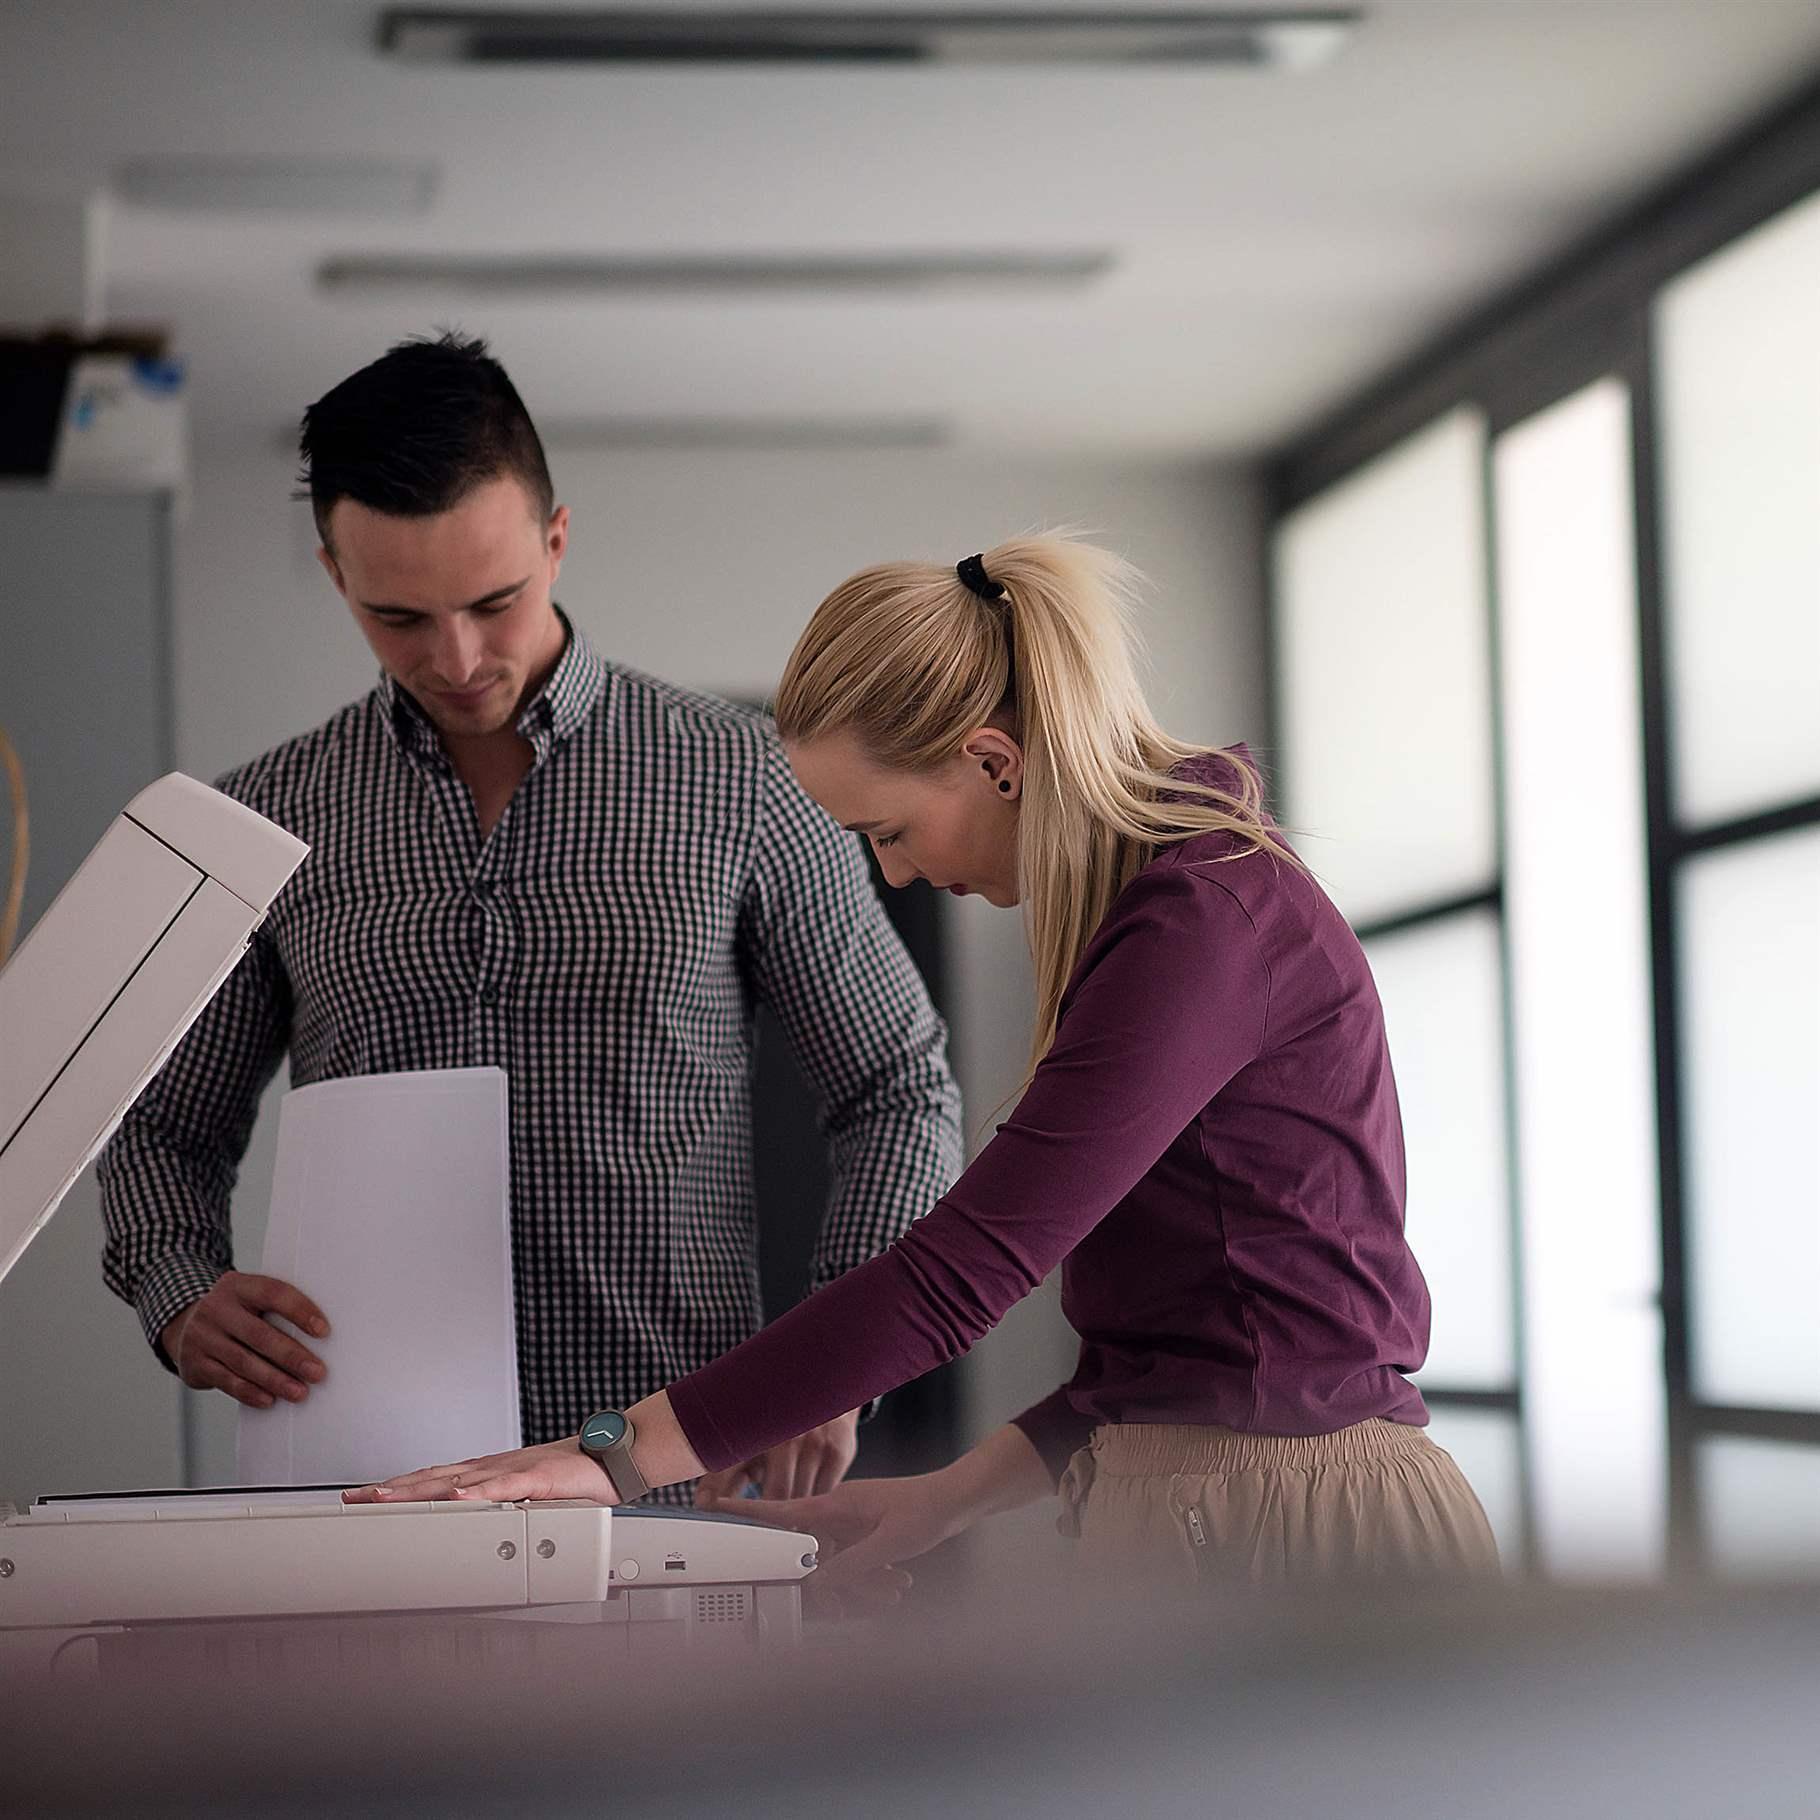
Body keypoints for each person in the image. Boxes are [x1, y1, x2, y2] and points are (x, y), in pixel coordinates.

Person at [352, 533, 1497, 1590]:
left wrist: (613, 1453)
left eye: (887, 831)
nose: (891, 875)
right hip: (1223, 1509)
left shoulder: (1201, 919)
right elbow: (1183, 1354)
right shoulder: (1170, 911)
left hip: (1284, 1528)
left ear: (992, 759)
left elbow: (960, 1271)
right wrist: (946, 1498)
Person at [99, 332, 962, 1507]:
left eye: (492, 601)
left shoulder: (742, 780)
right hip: (370, 1491)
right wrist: (180, 1288)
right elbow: (157, 1127)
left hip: (673, 1485)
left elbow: (896, 1087)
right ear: (333, 572)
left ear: (556, 540)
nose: (454, 658)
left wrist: (833, 1358)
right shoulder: (267, 819)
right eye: (398, 615)